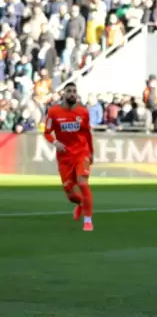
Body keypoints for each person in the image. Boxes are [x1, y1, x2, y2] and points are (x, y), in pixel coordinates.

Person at [43, 82, 95, 231]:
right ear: (63, 94)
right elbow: (47, 132)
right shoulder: (53, 112)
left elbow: (87, 133)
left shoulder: (83, 112)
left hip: (81, 153)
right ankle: (80, 203)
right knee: (70, 194)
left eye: (74, 91)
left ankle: (88, 221)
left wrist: (91, 152)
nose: (72, 93)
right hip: (64, 157)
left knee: (83, 183)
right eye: (69, 91)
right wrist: (55, 142)